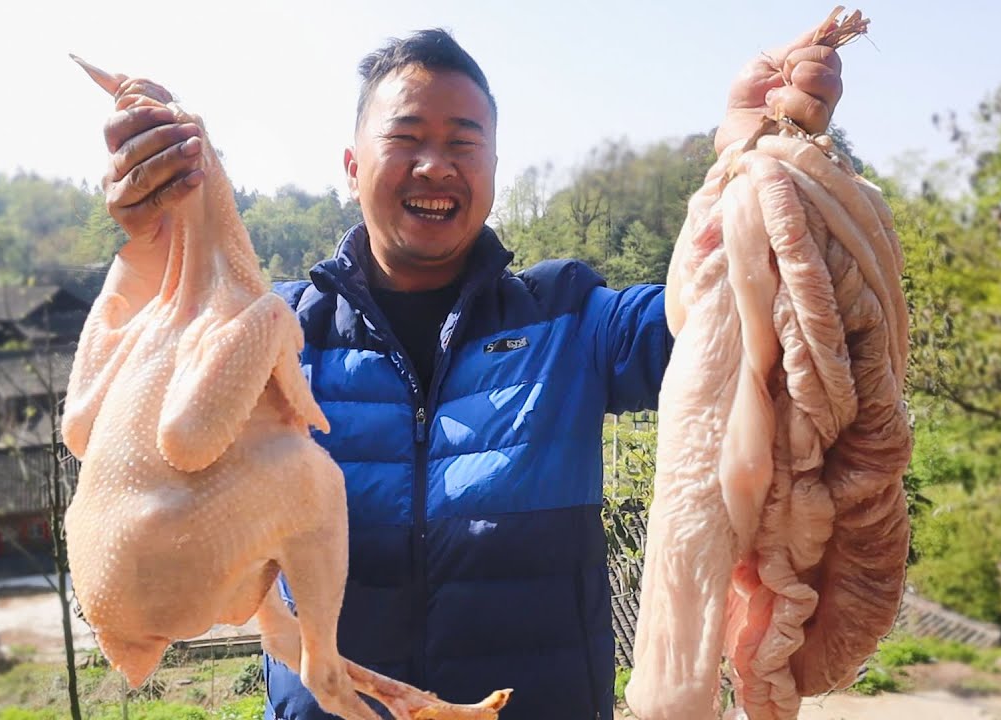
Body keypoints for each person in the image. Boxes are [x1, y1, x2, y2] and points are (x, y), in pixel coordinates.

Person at [93, 25, 843, 720]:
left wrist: (762, 150)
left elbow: (732, 316)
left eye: (464, 141)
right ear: (352, 167)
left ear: (490, 168)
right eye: (407, 137)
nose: (435, 165)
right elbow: (138, 419)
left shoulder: (572, 318)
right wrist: (157, 238)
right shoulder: (274, 336)